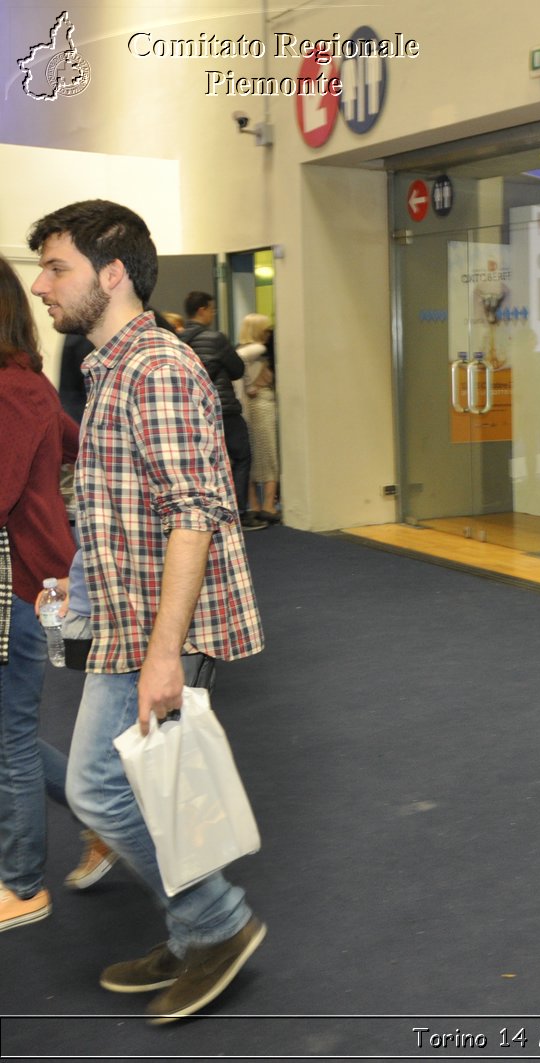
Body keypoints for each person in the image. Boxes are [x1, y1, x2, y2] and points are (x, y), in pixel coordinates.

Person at [27, 199, 267, 1022]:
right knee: (143, 785)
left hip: (160, 623)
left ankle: (216, 922)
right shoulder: (110, 367)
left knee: (98, 785)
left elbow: (195, 513)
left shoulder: (157, 368)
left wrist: (164, 652)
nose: (40, 285)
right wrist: (75, 599)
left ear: (113, 272)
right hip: (124, 610)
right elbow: (113, 509)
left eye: (56, 267)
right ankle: (199, 925)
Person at [0, 256, 118, 934]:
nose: (45, 284)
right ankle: (102, 817)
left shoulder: (12, 389)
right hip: (34, 580)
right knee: (10, 732)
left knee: (11, 736)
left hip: (19, 586)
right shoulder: (27, 385)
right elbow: (80, 443)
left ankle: (22, 884)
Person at [180, 292, 264, 532]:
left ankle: (207, 513)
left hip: (192, 411)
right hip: (223, 408)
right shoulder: (215, 338)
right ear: (203, 310)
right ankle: (236, 513)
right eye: (212, 309)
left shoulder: (177, 339)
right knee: (241, 456)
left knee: (204, 463)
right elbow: (237, 369)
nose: (213, 314)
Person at [236, 314, 279, 523]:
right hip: (262, 403)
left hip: (248, 406)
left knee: (250, 456)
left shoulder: (242, 349)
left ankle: (254, 504)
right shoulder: (259, 350)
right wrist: (252, 385)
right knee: (269, 455)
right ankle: (269, 506)